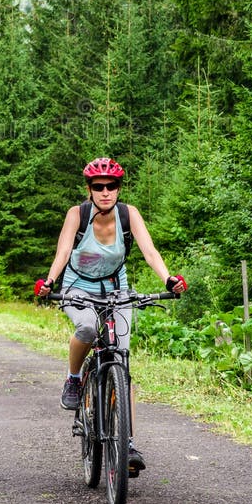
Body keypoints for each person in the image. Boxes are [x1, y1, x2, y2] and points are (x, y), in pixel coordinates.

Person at [35, 157, 187, 476]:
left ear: (119, 188)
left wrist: (168, 279)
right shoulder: (78, 215)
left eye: (112, 186)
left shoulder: (128, 215)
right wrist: (49, 282)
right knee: (89, 329)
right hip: (77, 288)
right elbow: (63, 252)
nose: (106, 192)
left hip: (117, 290)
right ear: (89, 190)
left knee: (122, 359)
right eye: (98, 187)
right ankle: (75, 379)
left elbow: (149, 252)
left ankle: (126, 441)